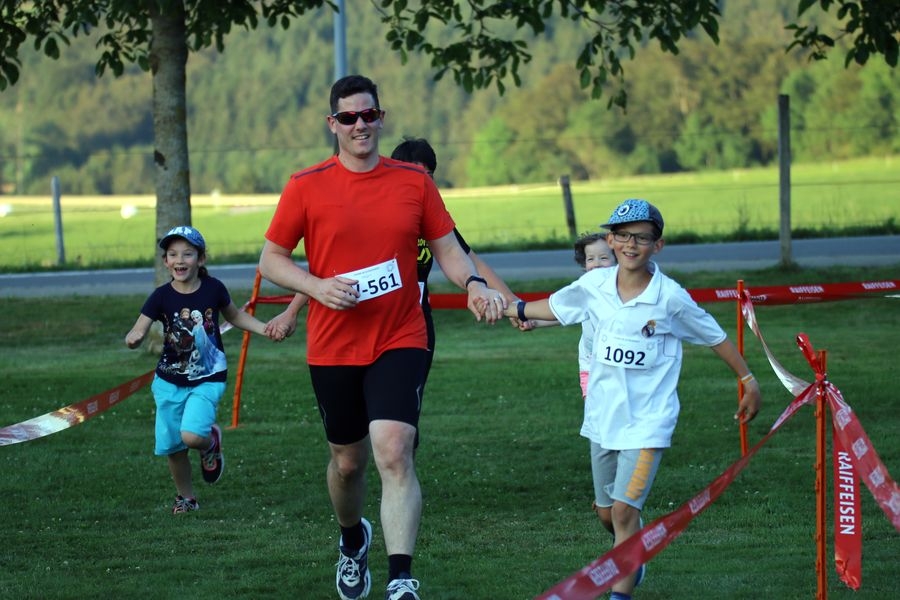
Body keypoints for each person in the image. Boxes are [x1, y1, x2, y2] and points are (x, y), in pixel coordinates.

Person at [258, 75, 505, 600]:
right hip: (333, 345)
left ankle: (400, 579)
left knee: (394, 450)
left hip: (400, 336)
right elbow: (271, 260)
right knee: (347, 463)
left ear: (381, 117)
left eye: (368, 115)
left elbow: (448, 250)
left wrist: (477, 285)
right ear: (333, 124)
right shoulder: (306, 185)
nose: (360, 125)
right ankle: (353, 538)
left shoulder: (414, 183)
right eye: (348, 117)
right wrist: (317, 287)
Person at [507, 199, 762, 600]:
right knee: (608, 514)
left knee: (625, 514)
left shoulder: (670, 298)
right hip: (602, 418)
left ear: (657, 246)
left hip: (648, 424)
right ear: (611, 240)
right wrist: (514, 307)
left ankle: (620, 591)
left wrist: (748, 379)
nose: (631, 244)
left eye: (642, 237)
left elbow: (714, 335)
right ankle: (633, 554)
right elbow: (555, 306)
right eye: (623, 235)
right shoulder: (594, 286)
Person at [125, 225, 282, 514]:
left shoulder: (214, 289)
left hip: (207, 377)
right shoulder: (161, 296)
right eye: (173, 254)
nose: (180, 260)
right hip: (168, 382)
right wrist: (134, 338)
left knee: (192, 437)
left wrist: (265, 329)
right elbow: (140, 326)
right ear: (166, 262)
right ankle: (187, 498)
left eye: (188, 253)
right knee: (174, 447)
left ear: (201, 259)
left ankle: (209, 442)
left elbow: (235, 316)